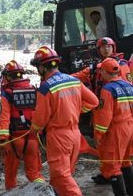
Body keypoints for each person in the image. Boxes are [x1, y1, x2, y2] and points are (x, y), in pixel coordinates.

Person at [30, 46, 98, 196]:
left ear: (42, 67)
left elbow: (40, 120)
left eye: (37, 67)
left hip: (59, 137)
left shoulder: (46, 88)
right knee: (61, 176)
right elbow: (94, 101)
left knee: (62, 176)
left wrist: (33, 131)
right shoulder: (73, 80)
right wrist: (73, 110)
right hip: (75, 135)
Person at [0, 60, 44, 190]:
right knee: (34, 173)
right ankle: (44, 191)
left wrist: (2, 140)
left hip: (14, 140)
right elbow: (40, 113)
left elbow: (4, 118)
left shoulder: (7, 93)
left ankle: (11, 192)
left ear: (7, 76)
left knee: (11, 173)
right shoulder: (34, 90)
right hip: (32, 138)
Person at [93, 58, 133, 196]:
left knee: (113, 166)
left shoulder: (108, 89)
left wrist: (98, 134)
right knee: (126, 161)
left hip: (117, 129)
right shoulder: (129, 86)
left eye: (101, 70)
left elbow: (105, 116)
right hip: (130, 127)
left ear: (105, 71)